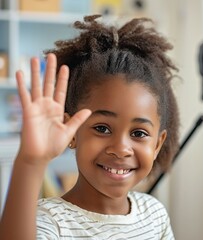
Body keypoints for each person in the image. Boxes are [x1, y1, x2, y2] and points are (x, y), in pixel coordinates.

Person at [0, 15, 179, 239]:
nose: (121, 148)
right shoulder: (50, 222)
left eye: (139, 133)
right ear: (72, 131)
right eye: (103, 128)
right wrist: (30, 161)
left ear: (157, 144)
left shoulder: (154, 215)